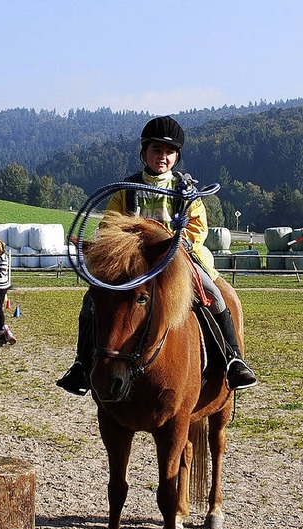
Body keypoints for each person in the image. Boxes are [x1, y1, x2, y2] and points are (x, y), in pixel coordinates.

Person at [57, 115, 257, 395]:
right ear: (144, 152)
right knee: (91, 299)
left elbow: (198, 227)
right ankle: (81, 364)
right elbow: (110, 225)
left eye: (169, 152)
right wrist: (128, 244)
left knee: (214, 294)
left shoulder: (185, 191)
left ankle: (233, 359)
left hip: (180, 256)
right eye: (156, 150)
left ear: (176, 156)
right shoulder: (126, 190)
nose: (162, 157)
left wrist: (178, 241)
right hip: (138, 262)